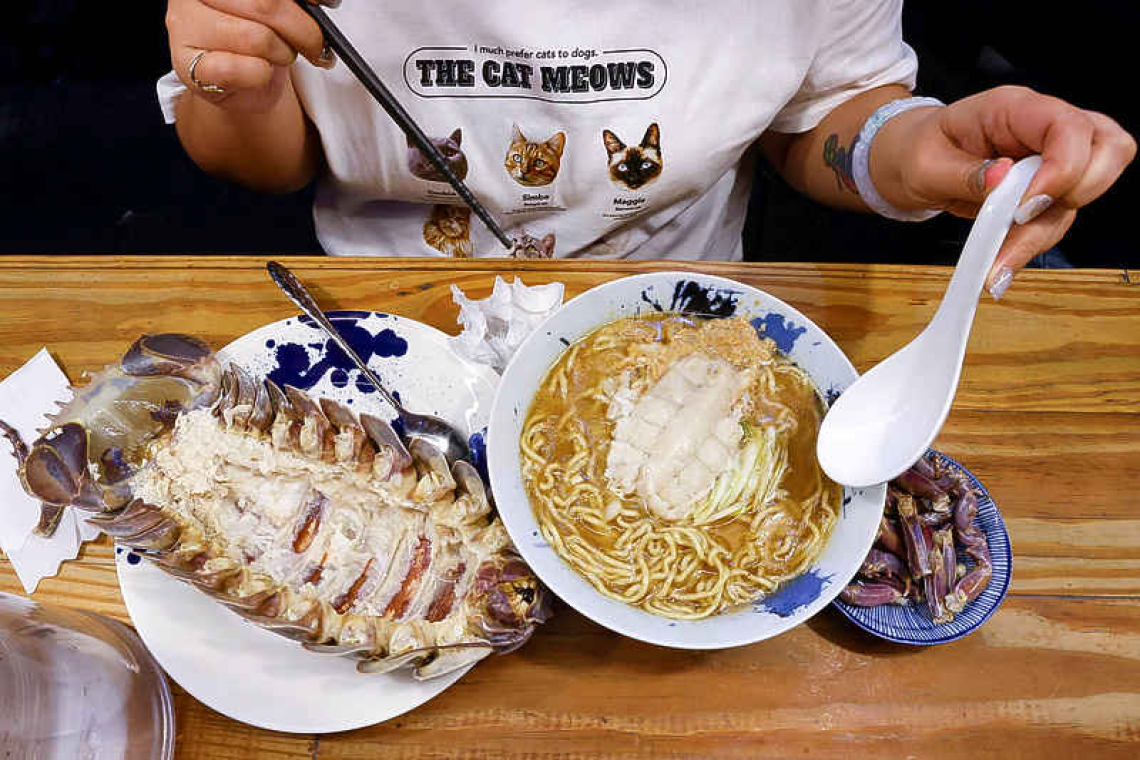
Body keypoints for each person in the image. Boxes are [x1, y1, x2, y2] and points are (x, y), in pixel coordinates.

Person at [160, 0, 1134, 298]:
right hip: (383, 315)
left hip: (679, 309)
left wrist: (912, 147)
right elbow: (270, 160)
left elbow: (826, 114)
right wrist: (237, 83)